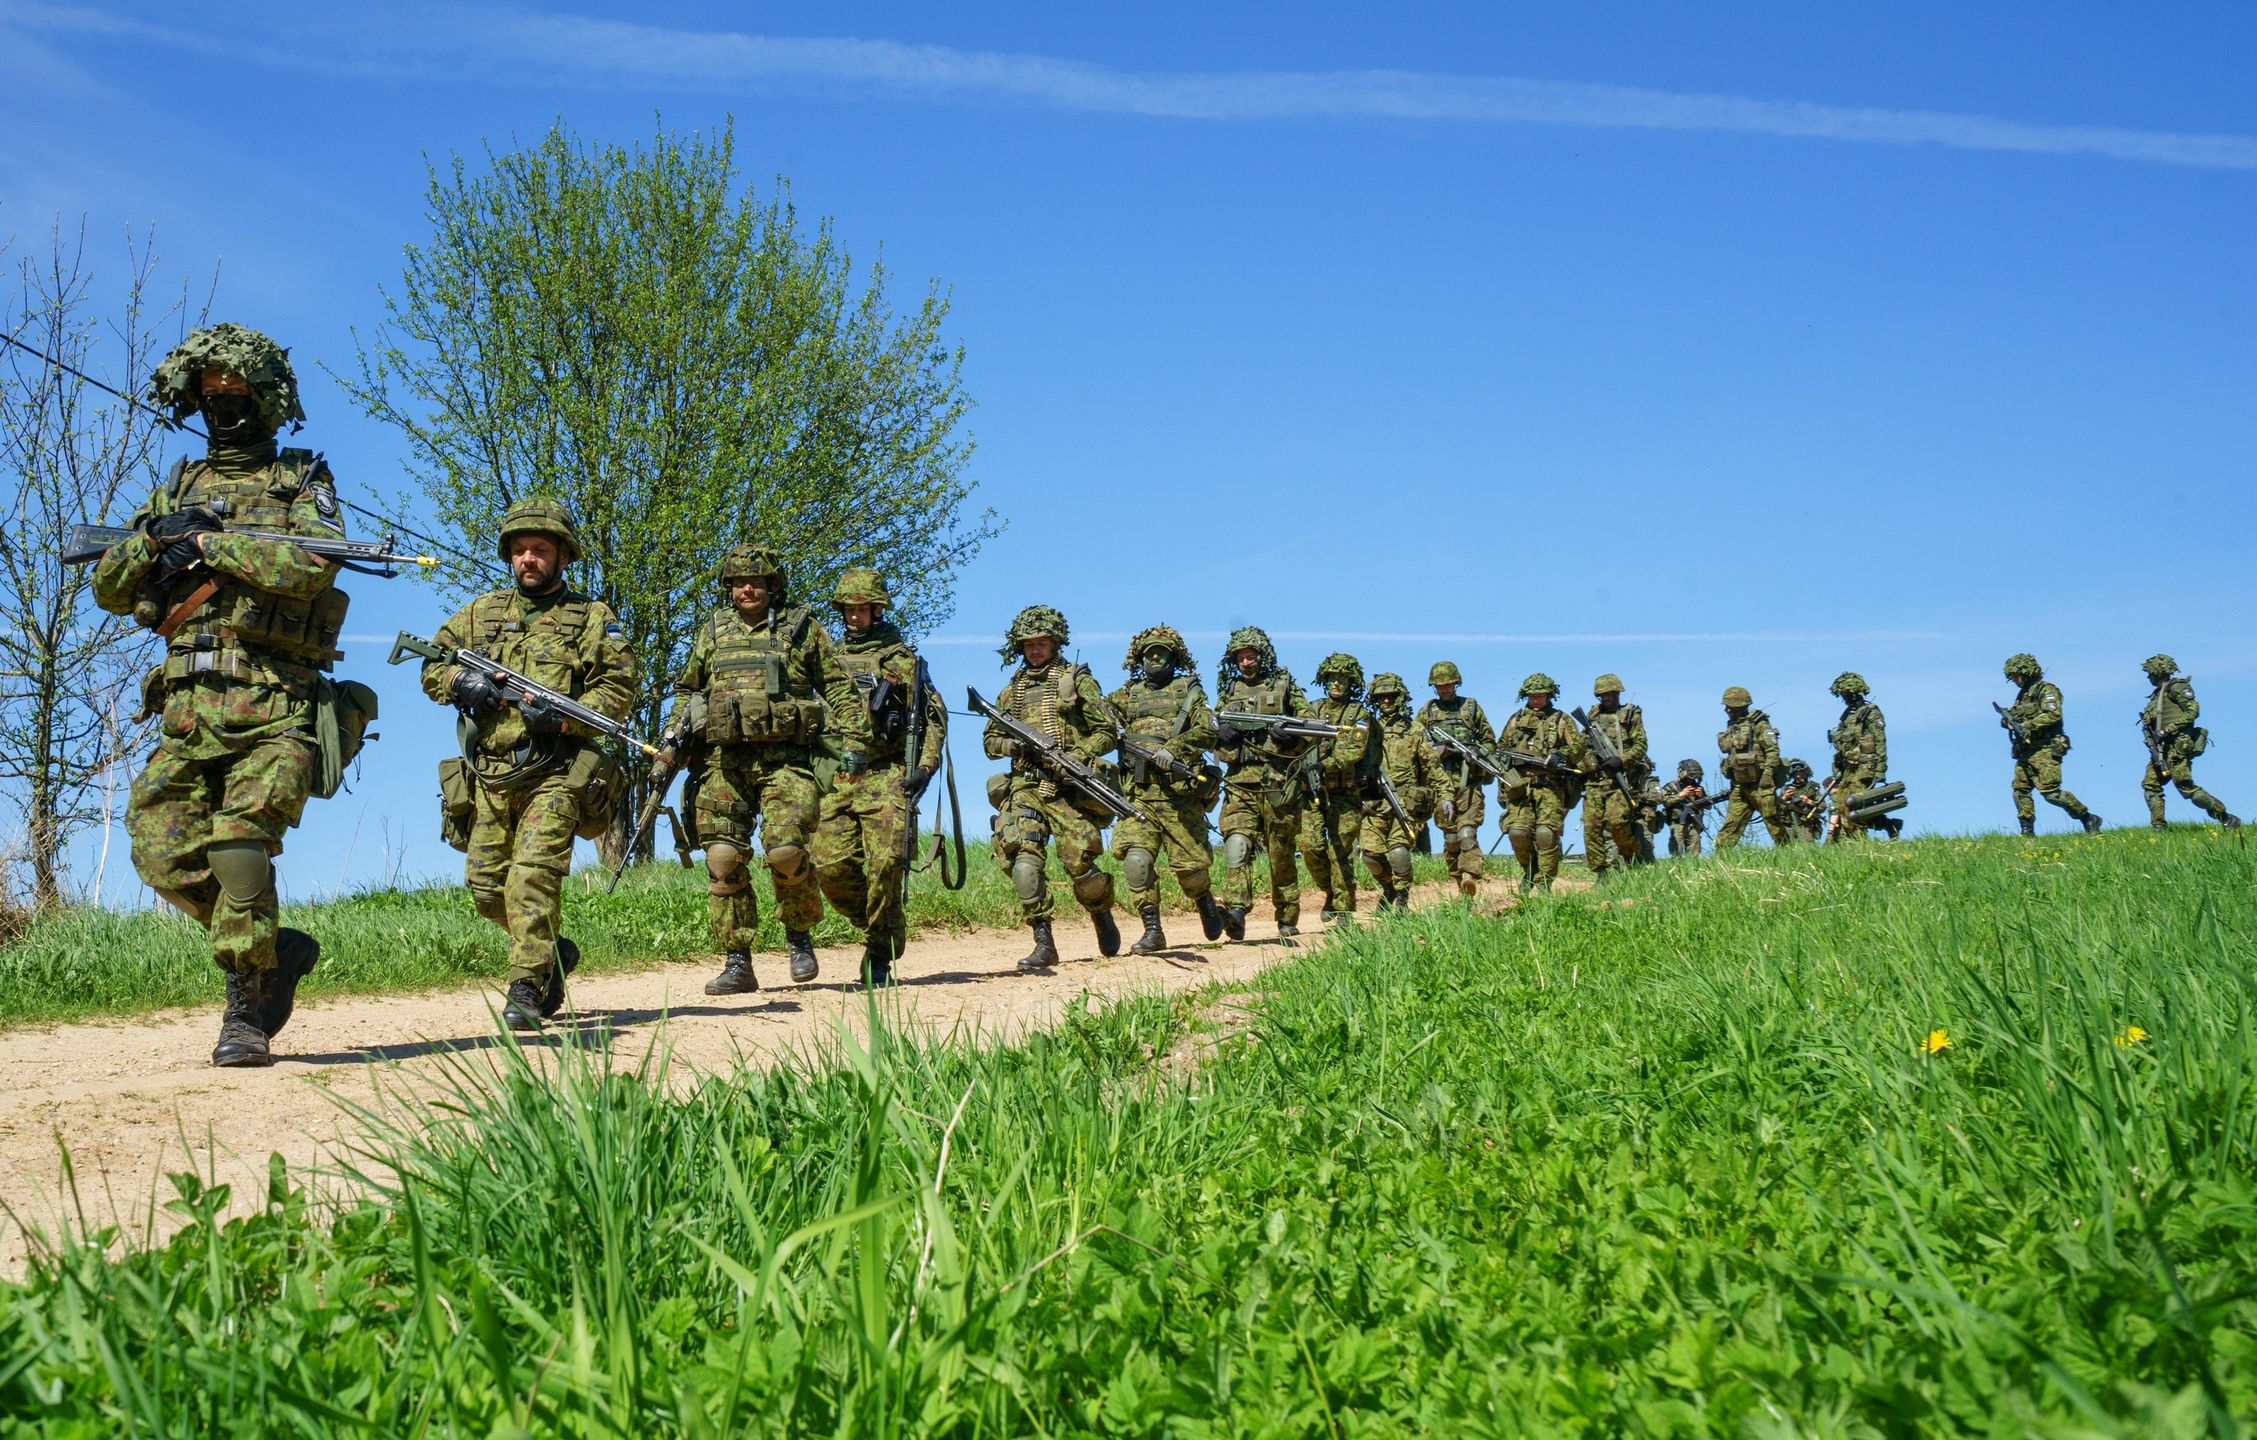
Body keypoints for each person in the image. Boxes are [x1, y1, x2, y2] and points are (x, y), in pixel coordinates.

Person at [93, 324, 366, 1066]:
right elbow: (110, 590)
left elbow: (310, 566)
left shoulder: (302, 479)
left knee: (240, 849)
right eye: (210, 396)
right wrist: (153, 540)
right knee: (161, 853)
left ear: (268, 398)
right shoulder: (178, 487)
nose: (223, 407)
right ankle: (273, 951)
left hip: (276, 707)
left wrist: (214, 546)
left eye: (237, 394)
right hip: (188, 713)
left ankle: (244, 1010)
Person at [420, 497, 635, 1030]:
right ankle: (553, 952)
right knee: (488, 890)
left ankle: (526, 986)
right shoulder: (480, 615)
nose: (528, 559)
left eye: (540, 550)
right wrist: (459, 682)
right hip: (491, 775)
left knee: (531, 880)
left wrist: (564, 721)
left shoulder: (592, 619)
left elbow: (619, 689)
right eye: (520, 551)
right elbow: (432, 663)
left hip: (555, 773)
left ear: (564, 556)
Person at [672, 543, 864, 995]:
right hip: (723, 762)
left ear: (772, 586)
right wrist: (674, 737)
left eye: (757, 581)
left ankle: (799, 936)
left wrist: (855, 743)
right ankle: (738, 960)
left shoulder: (802, 629)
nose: (748, 589)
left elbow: (839, 685)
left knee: (785, 851)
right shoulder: (713, 632)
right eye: (739, 582)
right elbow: (688, 689)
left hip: (787, 761)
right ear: (729, 588)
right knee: (722, 857)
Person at [812, 568, 947, 986]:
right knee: (828, 866)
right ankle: (884, 926)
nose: (855, 616)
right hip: (838, 773)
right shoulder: (827, 657)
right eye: (849, 609)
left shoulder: (900, 658)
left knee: (886, 864)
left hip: (887, 773)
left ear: (877, 609)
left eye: (863, 609)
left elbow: (932, 717)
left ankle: (879, 953)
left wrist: (925, 767)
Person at [983, 605, 1123, 969]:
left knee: (1081, 864)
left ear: (1056, 642)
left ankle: (1100, 911)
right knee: (1023, 862)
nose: (1035, 650)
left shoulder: (1076, 681)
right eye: (1029, 644)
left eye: (1042, 642)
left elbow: (1108, 732)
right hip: (1026, 786)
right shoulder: (1010, 691)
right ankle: (1044, 941)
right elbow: (989, 743)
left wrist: (1077, 754)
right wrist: (1014, 746)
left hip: (1067, 788)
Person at [1105, 625, 1224, 954]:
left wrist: (1176, 747)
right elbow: (1097, 715)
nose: (1155, 657)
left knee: (1191, 873)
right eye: (1149, 653)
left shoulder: (1188, 691)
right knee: (1135, 862)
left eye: (1162, 652)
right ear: (1139, 659)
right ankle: (1153, 930)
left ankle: (1204, 900)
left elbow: (1208, 730)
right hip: (1138, 797)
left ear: (1174, 657)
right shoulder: (1128, 694)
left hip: (1178, 799)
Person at [1213, 627, 1313, 943]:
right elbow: (1210, 727)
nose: (1245, 662)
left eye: (1250, 656)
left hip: (1278, 782)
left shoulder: (1285, 687)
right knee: (1237, 845)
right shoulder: (1228, 692)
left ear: (1262, 656)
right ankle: (1236, 912)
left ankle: (1286, 916)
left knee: (1280, 853)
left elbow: (1312, 728)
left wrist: (1293, 736)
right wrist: (1220, 733)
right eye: (1240, 657)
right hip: (1241, 781)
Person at [1299, 653, 1378, 922]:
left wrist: (1327, 764)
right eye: (1332, 678)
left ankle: (1344, 908)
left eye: (1342, 679)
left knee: (1339, 851)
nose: (1337, 684)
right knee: (1310, 847)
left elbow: (1353, 749)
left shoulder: (1360, 713)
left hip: (1345, 794)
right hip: (1312, 792)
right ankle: (1330, 892)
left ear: (1351, 682)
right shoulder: (1312, 708)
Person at [1496, 673, 1585, 891]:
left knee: (1546, 834)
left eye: (1540, 697)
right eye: (1531, 697)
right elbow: (1500, 751)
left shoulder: (1561, 720)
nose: (1535, 701)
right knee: (1518, 833)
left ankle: (1545, 882)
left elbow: (1579, 747)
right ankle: (1529, 871)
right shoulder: (1515, 720)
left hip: (1550, 787)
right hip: (1521, 786)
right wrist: (1503, 788)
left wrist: (1560, 756)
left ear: (1549, 696)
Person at [1360, 672, 1442, 910]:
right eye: (1381, 697)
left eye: (1391, 696)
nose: (1386, 701)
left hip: (1404, 803)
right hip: (1374, 802)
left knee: (1398, 852)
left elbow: (1432, 766)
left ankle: (1402, 898)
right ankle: (1388, 888)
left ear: (1400, 697)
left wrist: (1445, 796)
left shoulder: (1414, 730)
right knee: (1370, 856)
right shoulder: (1366, 728)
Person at [1999, 653, 2101, 836]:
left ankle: (2087, 817)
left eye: (2015, 675)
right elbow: (2015, 716)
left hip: (2045, 749)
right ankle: (2027, 831)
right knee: (2020, 789)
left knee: (2051, 793)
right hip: (2025, 751)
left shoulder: (2046, 690)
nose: (2013, 680)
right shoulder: (2022, 696)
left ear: (2026, 672)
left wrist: (2027, 725)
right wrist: (2008, 722)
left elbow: (2053, 715)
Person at [1418, 661, 1494, 899]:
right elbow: (1416, 743)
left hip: (1469, 784)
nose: (1445, 690)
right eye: (1440, 686)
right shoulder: (1428, 712)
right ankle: (1458, 881)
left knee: (1467, 833)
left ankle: (1470, 875)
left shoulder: (1470, 709)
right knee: (1451, 839)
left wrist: (1477, 752)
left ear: (1456, 683)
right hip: (1441, 787)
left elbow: (1490, 741)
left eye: (1448, 685)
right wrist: (1436, 751)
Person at [2138, 654, 2240, 830]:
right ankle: (2158, 827)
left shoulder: (2177, 687)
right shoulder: (2156, 696)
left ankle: (2225, 817)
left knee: (2185, 786)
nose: (2148, 677)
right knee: (2150, 784)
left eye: (2150, 673)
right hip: (2161, 749)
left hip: (2177, 747)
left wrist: (2170, 728)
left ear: (2158, 671)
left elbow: (2192, 711)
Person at [1578, 673, 1652, 882]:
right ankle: (1601, 873)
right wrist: (1588, 760)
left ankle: (1633, 856)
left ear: (1617, 693)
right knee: (1591, 827)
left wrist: (1622, 760)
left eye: (1610, 694)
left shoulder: (1630, 714)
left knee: (1617, 822)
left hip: (1620, 780)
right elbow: (1581, 745)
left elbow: (1641, 745)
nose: (1606, 698)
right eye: (1602, 695)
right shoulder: (1591, 717)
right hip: (1594, 781)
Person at [1825, 672, 1899, 840]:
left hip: (1865, 767)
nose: (1845, 698)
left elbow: (1880, 741)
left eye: (1847, 694)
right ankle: (1887, 824)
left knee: (1854, 805)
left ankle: (1859, 844)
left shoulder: (1870, 712)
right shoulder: (1846, 716)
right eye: (1842, 694)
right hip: (1848, 769)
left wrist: (1880, 769)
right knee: (1842, 805)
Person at [1715, 686, 1791, 848]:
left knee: (1772, 818)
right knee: (1731, 824)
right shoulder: (1733, 725)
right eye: (1726, 707)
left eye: (1730, 706)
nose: (1727, 710)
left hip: (1760, 783)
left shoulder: (1760, 724)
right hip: (1739, 785)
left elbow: (1772, 750)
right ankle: (1720, 859)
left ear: (1741, 705)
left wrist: (1768, 774)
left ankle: (1789, 851)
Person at [1661, 759, 1712, 858]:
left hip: (1693, 823)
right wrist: (1680, 795)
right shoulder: (1671, 787)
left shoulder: (1698, 787)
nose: (1691, 780)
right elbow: (1664, 801)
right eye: (1689, 776)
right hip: (1677, 823)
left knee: (1694, 853)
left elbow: (1709, 806)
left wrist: (1701, 797)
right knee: (1676, 851)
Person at [1777, 759, 1828, 843]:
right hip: (1789, 824)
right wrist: (1784, 797)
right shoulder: (1786, 789)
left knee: (1808, 847)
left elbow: (1822, 807)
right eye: (1796, 773)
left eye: (1801, 773)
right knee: (1787, 847)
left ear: (1806, 773)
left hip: (1806, 824)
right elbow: (1776, 809)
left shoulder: (1812, 788)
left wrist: (1809, 801)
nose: (1798, 775)